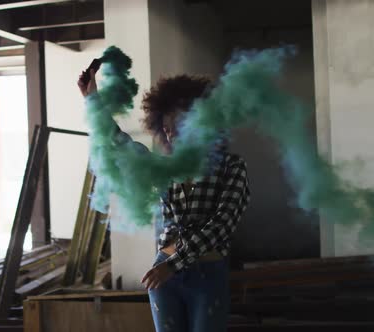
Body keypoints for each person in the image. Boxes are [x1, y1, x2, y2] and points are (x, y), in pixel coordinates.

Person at [79, 67, 250, 332]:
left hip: (204, 275)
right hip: (163, 277)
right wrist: (93, 101)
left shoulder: (231, 166)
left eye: (179, 125)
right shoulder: (166, 168)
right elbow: (122, 144)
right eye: (167, 128)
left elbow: (222, 226)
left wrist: (174, 264)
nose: (171, 134)